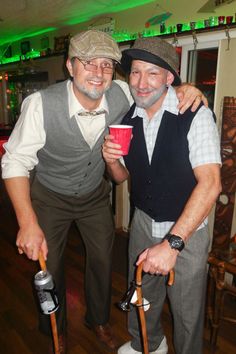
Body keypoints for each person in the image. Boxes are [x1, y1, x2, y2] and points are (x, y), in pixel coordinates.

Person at [1, 30, 206, 354]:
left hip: (94, 195)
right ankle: (56, 327)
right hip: (50, 196)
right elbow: (14, 162)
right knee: (49, 267)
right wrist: (27, 222)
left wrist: (184, 88)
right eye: (88, 63)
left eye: (107, 65)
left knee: (101, 260)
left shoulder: (123, 92)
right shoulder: (40, 104)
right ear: (70, 66)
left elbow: (154, 86)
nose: (98, 73)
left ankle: (97, 320)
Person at [102, 37, 222, 354]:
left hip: (187, 232)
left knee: (186, 312)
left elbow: (211, 184)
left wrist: (172, 243)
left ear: (170, 78)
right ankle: (149, 343)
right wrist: (111, 160)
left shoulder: (195, 114)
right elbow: (122, 178)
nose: (141, 83)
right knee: (142, 292)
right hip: (143, 222)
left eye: (152, 73)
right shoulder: (127, 120)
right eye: (136, 72)